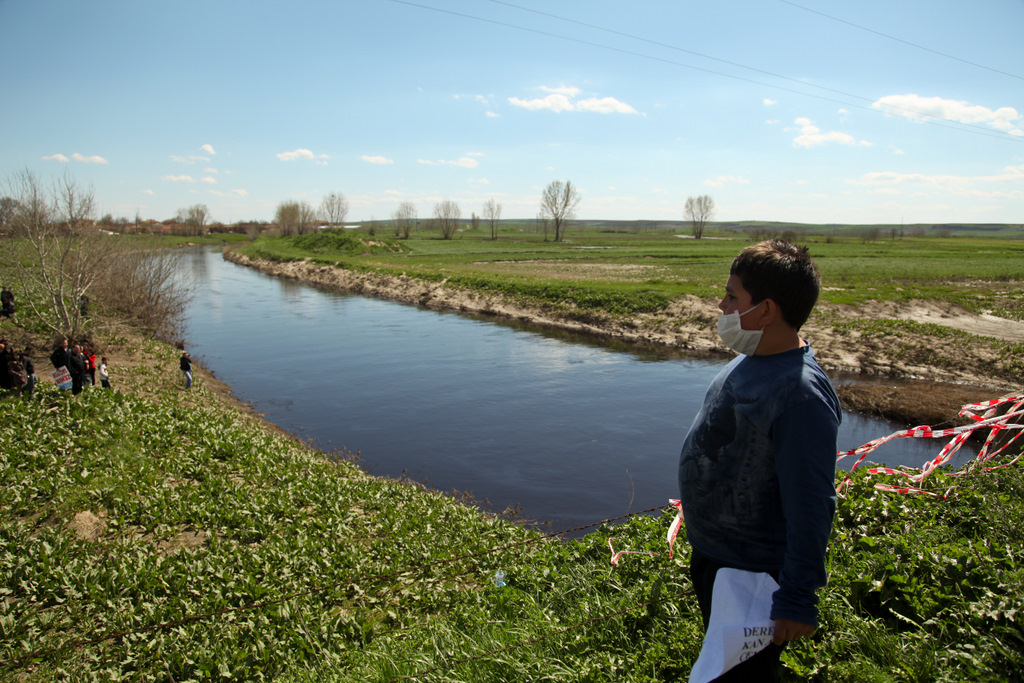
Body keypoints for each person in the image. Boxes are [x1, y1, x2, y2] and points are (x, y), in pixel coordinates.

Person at [678, 240, 841, 682]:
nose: (721, 304)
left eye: (733, 296)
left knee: (745, 676)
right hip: (720, 559)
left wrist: (798, 597)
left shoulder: (800, 394)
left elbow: (811, 502)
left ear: (766, 311)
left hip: (751, 575)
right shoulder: (753, 357)